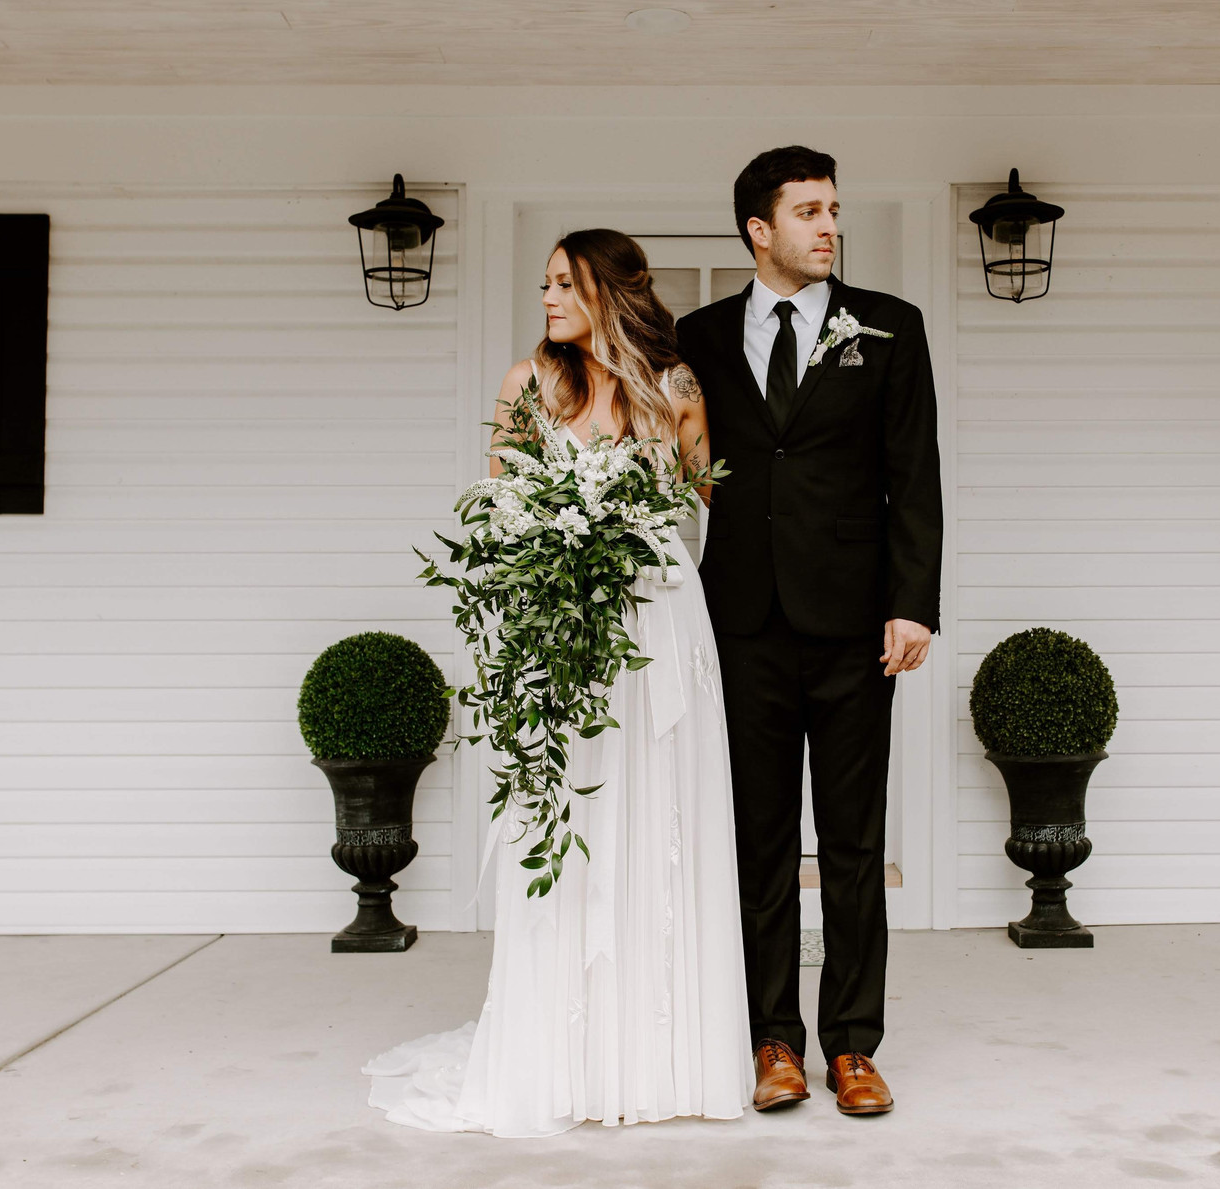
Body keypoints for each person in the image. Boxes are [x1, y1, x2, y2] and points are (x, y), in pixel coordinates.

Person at [363, 229, 754, 1137]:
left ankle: (666, 1055)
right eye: (543, 283)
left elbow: (703, 505)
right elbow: (501, 506)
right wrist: (556, 561)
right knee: (572, 825)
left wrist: (635, 547)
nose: (545, 298)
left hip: (661, 627)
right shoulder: (526, 384)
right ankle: (567, 1055)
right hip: (565, 634)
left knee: (664, 827)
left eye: (563, 283)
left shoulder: (678, 389)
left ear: (609, 293)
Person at [676, 146, 943, 1116]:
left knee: (853, 843)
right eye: (807, 212)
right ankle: (771, 1039)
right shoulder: (697, 335)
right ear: (759, 229)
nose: (828, 226)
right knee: (757, 840)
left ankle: (853, 1047)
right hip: (739, 623)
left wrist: (914, 600)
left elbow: (913, 474)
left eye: (834, 210)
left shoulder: (890, 328)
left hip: (851, 627)